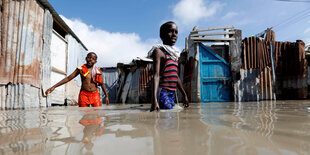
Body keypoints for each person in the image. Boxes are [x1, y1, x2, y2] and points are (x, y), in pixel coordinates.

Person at [148, 21, 189, 112]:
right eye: (171, 31)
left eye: (176, 32)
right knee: (167, 117)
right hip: (162, 92)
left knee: (171, 118)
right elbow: (156, 75)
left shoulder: (174, 55)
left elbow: (176, 76)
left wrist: (184, 95)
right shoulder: (159, 52)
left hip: (172, 93)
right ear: (162, 35)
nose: (174, 34)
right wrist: (154, 100)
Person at [45, 52, 110, 107]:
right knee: (84, 117)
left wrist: (106, 96)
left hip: (95, 95)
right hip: (84, 95)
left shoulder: (97, 71)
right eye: (89, 57)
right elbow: (68, 78)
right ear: (86, 58)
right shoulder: (81, 69)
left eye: (93, 59)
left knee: (97, 116)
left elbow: (102, 84)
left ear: (95, 62)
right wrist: (54, 87)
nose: (90, 60)